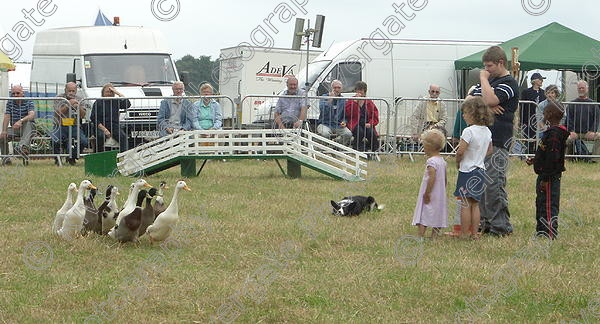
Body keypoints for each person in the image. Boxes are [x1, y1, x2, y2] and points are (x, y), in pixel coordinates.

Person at [466, 46, 519, 236]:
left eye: (489, 66)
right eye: (484, 68)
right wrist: (486, 103)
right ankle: (485, 223)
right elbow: (469, 101)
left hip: (498, 140)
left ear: (500, 63)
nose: (486, 70)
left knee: (494, 184)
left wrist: (483, 83)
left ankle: (501, 226)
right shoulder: (491, 81)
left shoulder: (509, 82)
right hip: (480, 141)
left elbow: (489, 99)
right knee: (481, 184)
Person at [526, 103, 569, 239]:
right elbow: (546, 153)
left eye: (544, 113)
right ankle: (541, 231)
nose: (543, 115)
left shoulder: (555, 134)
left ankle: (550, 232)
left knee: (549, 204)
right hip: (543, 174)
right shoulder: (549, 133)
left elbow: (553, 159)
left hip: (549, 176)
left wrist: (545, 178)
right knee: (541, 202)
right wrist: (536, 159)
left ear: (549, 114)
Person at [454, 97, 494, 239]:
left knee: (465, 203)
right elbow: (490, 150)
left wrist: (458, 161)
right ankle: (475, 233)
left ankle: (464, 233)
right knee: (475, 204)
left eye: (465, 113)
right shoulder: (487, 131)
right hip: (480, 170)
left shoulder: (468, 131)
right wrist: (480, 155)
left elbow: (460, 151)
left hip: (467, 170)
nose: (463, 115)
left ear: (472, 113)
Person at [411, 129, 448, 238]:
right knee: (438, 212)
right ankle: (434, 236)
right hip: (440, 193)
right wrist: (443, 189)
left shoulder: (431, 162)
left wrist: (427, 192)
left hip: (431, 192)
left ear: (428, 146)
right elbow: (445, 179)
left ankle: (420, 235)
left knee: (425, 212)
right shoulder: (442, 161)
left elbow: (432, 177)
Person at [52, 82, 89, 165]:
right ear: (65, 90)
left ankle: (72, 157)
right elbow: (57, 113)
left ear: (76, 91)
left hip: (74, 125)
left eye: (73, 91)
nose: (71, 93)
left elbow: (83, 116)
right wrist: (68, 105)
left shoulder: (80, 98)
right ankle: (57, 159)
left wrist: (78, 106)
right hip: (60, 125)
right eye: (69, 91)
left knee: (83, 141)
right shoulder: (59, 98)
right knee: (55, 140)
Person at [90, 83, 131, 152]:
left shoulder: (115, 101)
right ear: (103, 93)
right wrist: (105, 130)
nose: (109, 94)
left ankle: (124, 156)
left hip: (114, 125)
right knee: (101, 136)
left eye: (111, 92)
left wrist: (117, 93)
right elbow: (94, 118)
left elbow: (127, 104)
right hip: (101, 126)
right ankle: (99, 155)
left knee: (123, 137)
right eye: (107, 92)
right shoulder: (98, 102)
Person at [564, 80, 600, 160]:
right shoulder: (571, 104)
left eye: (583, 88)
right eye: (579, 88)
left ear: (587, 89)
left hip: (588, 133)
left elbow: (596, 120)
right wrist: (571, 131)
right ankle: (569, 159)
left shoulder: (594, 104)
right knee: (567, 138)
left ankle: (594, 160)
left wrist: (592, 131)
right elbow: (569, 119)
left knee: (599, 137)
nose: (581, 90)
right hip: (575, 132)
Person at [1, 85, 35, 165]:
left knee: (28, 123)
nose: (15, 95)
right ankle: (6, 160)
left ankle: (23, 147)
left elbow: (31, 115)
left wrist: (21, 121)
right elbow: (7, 117)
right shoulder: (10, 102)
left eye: (17, 93)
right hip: (15, 128)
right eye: (13, 93)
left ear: (23, 93)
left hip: (28, 128)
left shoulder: (28, 101)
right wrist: (4, 131)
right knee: (2, 137)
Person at [345, 81, 380, 152]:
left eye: (361, 90)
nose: (360, 92)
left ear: (365, 91)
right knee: (359, 132)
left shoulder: (369, 102)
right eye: (358, 90)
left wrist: (370, 123)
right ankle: (357, 150)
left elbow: (375, 116)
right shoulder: (351, 100)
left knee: (371, 133)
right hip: (355, 123)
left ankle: (374, 151)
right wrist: (355, 103)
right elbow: (348, 114)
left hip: (367, 123)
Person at [317, 80, 352, 145]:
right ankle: (324, 150)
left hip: (338, 125)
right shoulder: (324, 97)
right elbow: (322, 110)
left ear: (341, 89)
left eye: (339, 88)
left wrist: (344, 121)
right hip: (324, 124)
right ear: (331, 89)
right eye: (335, 87)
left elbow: (345, 115)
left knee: (348, 134)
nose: (337, 89)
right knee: (325, 134)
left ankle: (336, 145)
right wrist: (330, 100)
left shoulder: (343, 99)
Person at [520, 73, 546, 153]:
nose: (542, 81)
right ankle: (528, 155)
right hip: (528, 120)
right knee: (529, 139)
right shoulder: (526, 92)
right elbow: (522, 107)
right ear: (535, 80)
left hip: (541, 121)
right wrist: (522, 121)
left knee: (541, 139)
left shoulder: (544, 93)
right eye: (540, 79)